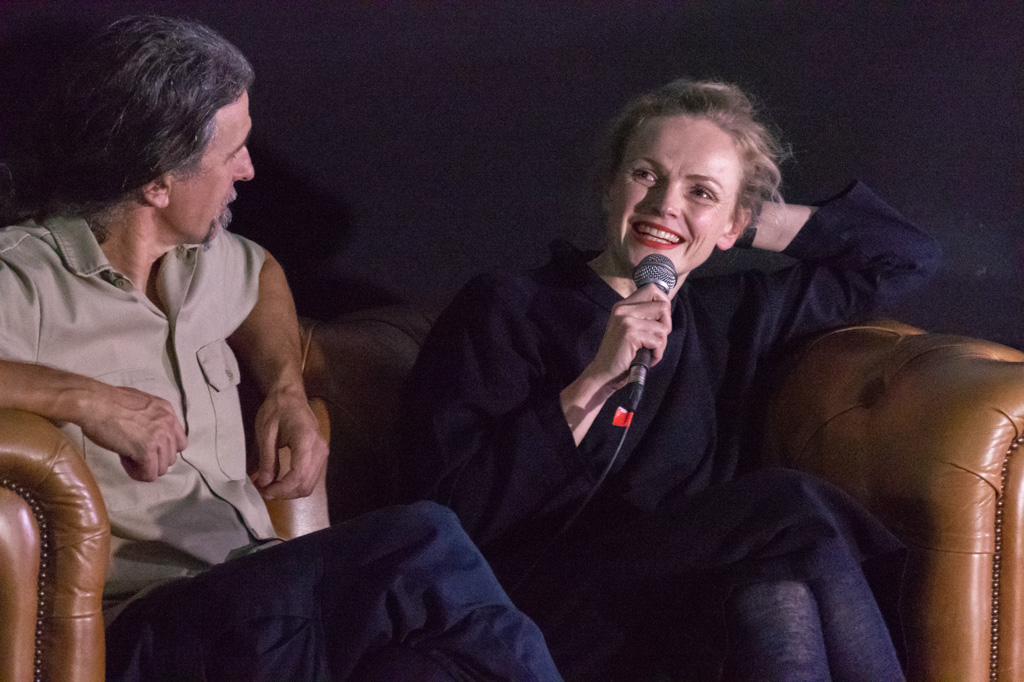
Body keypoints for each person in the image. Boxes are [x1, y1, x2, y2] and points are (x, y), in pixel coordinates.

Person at [0, 15, 562, 682]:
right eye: (232, 152)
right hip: (145, 626)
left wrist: (287, 391)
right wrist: (86, 399)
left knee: (424, 668)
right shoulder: (27, 277)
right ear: (157, 181)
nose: (249, 169)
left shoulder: (203, 259)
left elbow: (262, 272)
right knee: (424, 545)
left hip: (258, 594)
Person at [393, 79, 941, 681]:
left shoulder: (728, 317)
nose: (663, 204)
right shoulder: (509, 307)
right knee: (789, 503)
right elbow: (447, 511)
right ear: (610, 187)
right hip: (529, 609)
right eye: (645, 175)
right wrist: (594, 382)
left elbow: (902, 256)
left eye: (698, 190)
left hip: (674, 609)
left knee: (777, 588)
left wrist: (731, 218)